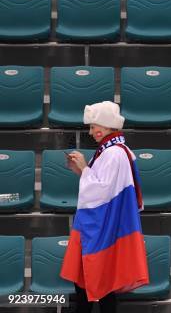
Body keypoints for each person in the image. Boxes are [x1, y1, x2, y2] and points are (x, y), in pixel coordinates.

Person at [60, 101, 149, 313]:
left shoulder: (113, 153)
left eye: (93, 126)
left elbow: (102, 193)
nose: (91, 132)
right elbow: (103, 188)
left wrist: (84, 168)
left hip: (101, 229)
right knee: (97, 285)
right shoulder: (111, 150)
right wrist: (82, 171)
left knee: (96, 285)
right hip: (103, 226)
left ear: (108, 125)